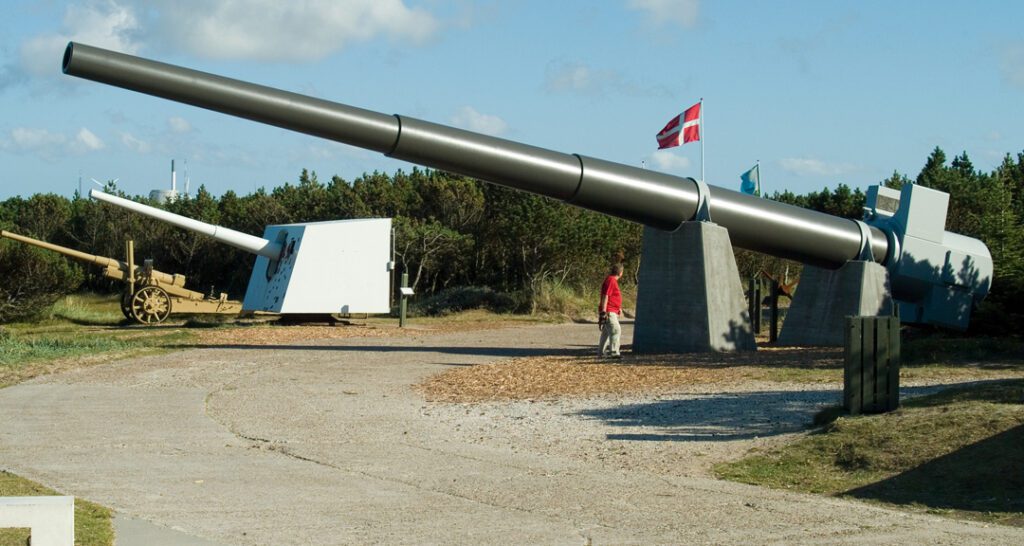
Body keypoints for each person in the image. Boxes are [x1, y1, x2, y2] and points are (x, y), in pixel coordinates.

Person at [598, 263, 624, 358]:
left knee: (606, 333)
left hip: (612, 310)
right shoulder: (611, 280)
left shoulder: (610, 280)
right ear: (621, 273)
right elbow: (606, 296)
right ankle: (614, 353)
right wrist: (603, 312)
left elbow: (612, 296)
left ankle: (601, 354)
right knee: (615, 330)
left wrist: (618, 308)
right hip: (609, 312)